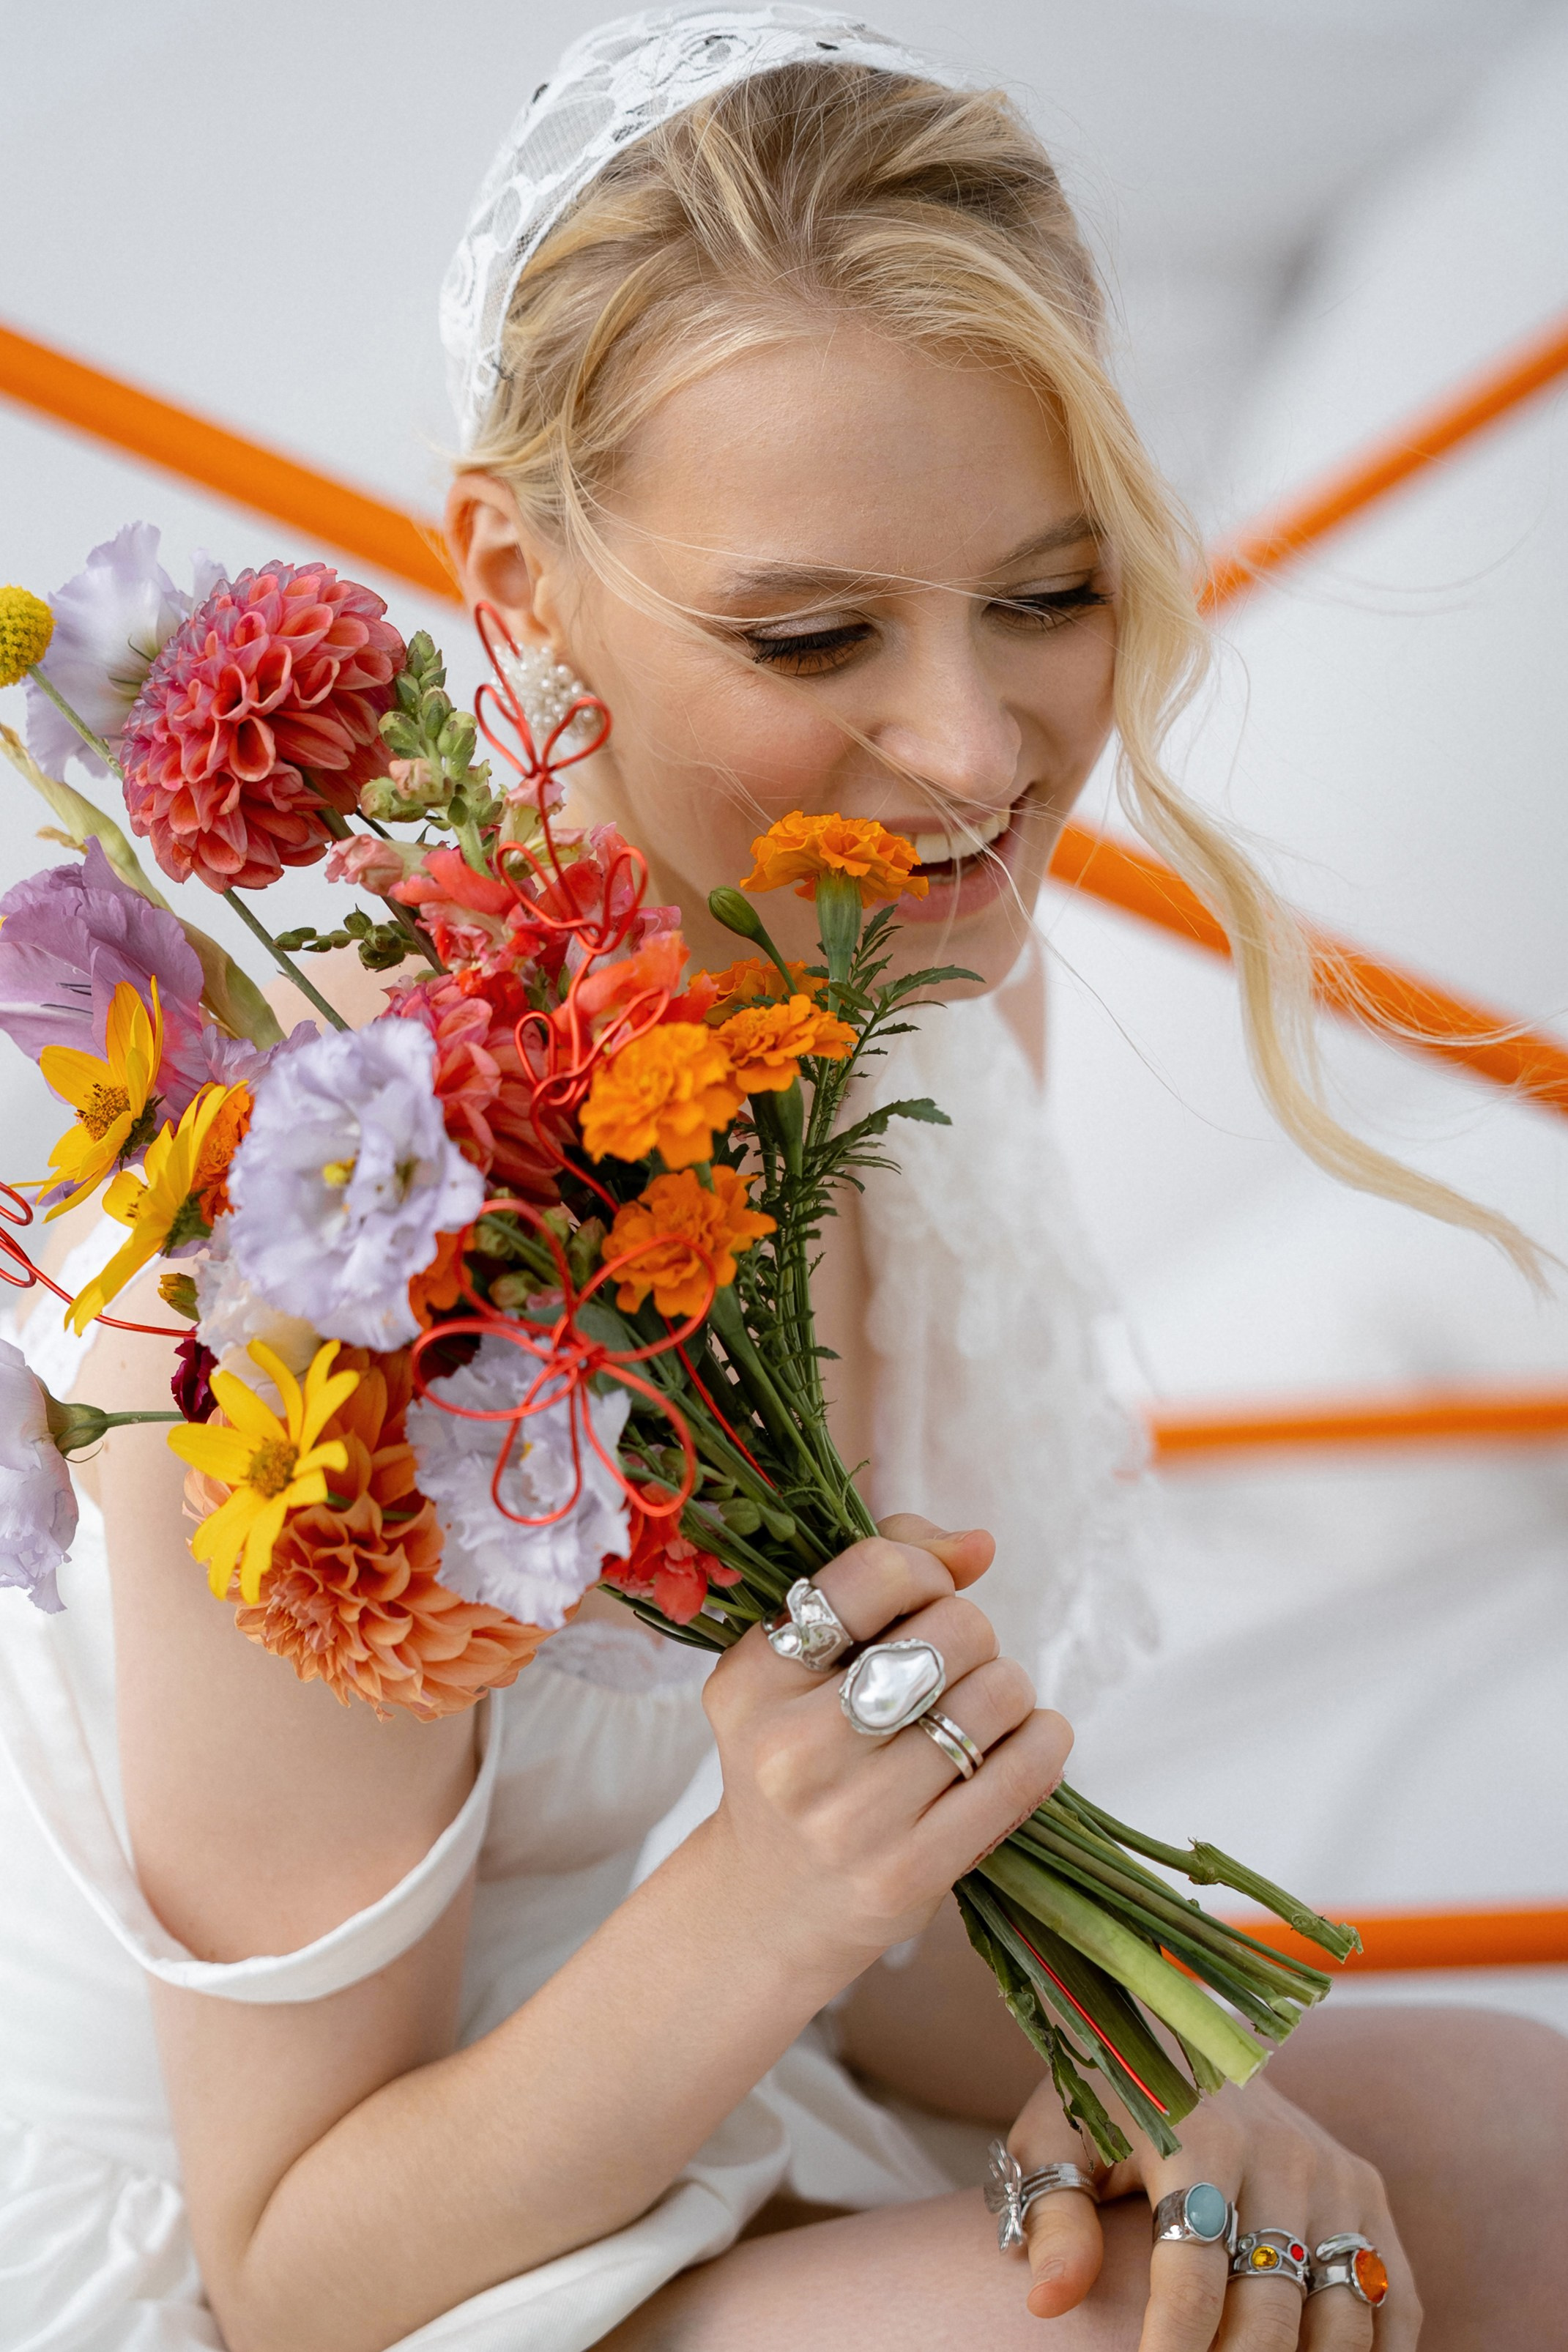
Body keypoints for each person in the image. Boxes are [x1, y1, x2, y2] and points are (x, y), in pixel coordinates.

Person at [2, 10, 1564, 2349]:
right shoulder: (310, 1260)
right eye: (816, 633)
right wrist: (767, 1894)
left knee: (1522, 2150)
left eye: (1048, 594)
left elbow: (883, 1868)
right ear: (517, 582)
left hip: (732, 2054)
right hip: (333, 2234)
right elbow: (297, 2270)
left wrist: (1139, 2061)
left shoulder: (911, 989)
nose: (972, 750)